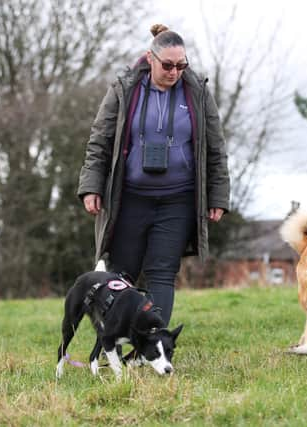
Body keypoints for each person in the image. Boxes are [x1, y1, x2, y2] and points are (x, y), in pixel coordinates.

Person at [77, 24, 230, 326]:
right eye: (168, 65)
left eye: (181, 65)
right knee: (122, 271)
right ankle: (116, 340)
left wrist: (218, 195)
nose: (175, 72)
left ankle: (152, 343)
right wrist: (91, 186)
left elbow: (215, 147)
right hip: (130, 197)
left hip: (178, 199)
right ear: (150, 58)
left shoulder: (197, 92)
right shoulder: (124, 89)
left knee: (162, 270)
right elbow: (100, 140)